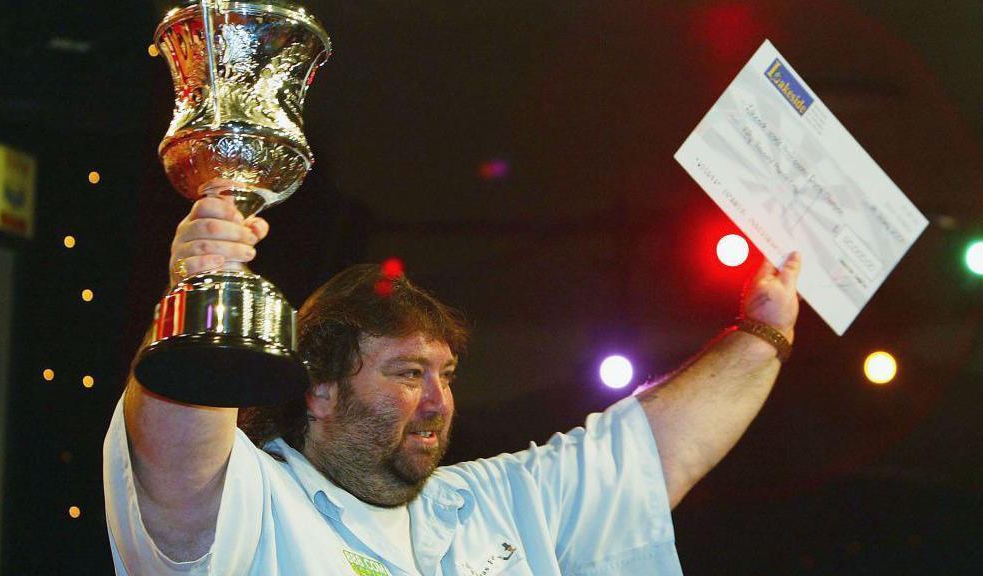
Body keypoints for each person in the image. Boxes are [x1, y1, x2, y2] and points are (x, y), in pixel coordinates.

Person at [104, 195, 801, 575]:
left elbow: (659, 449)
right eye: (408, 374)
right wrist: (198, 291)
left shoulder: (491, 506)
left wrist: (763, 331)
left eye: (445, 375)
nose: (438, 402)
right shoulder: (252, 503)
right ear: (319, 389)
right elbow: (176, 455)